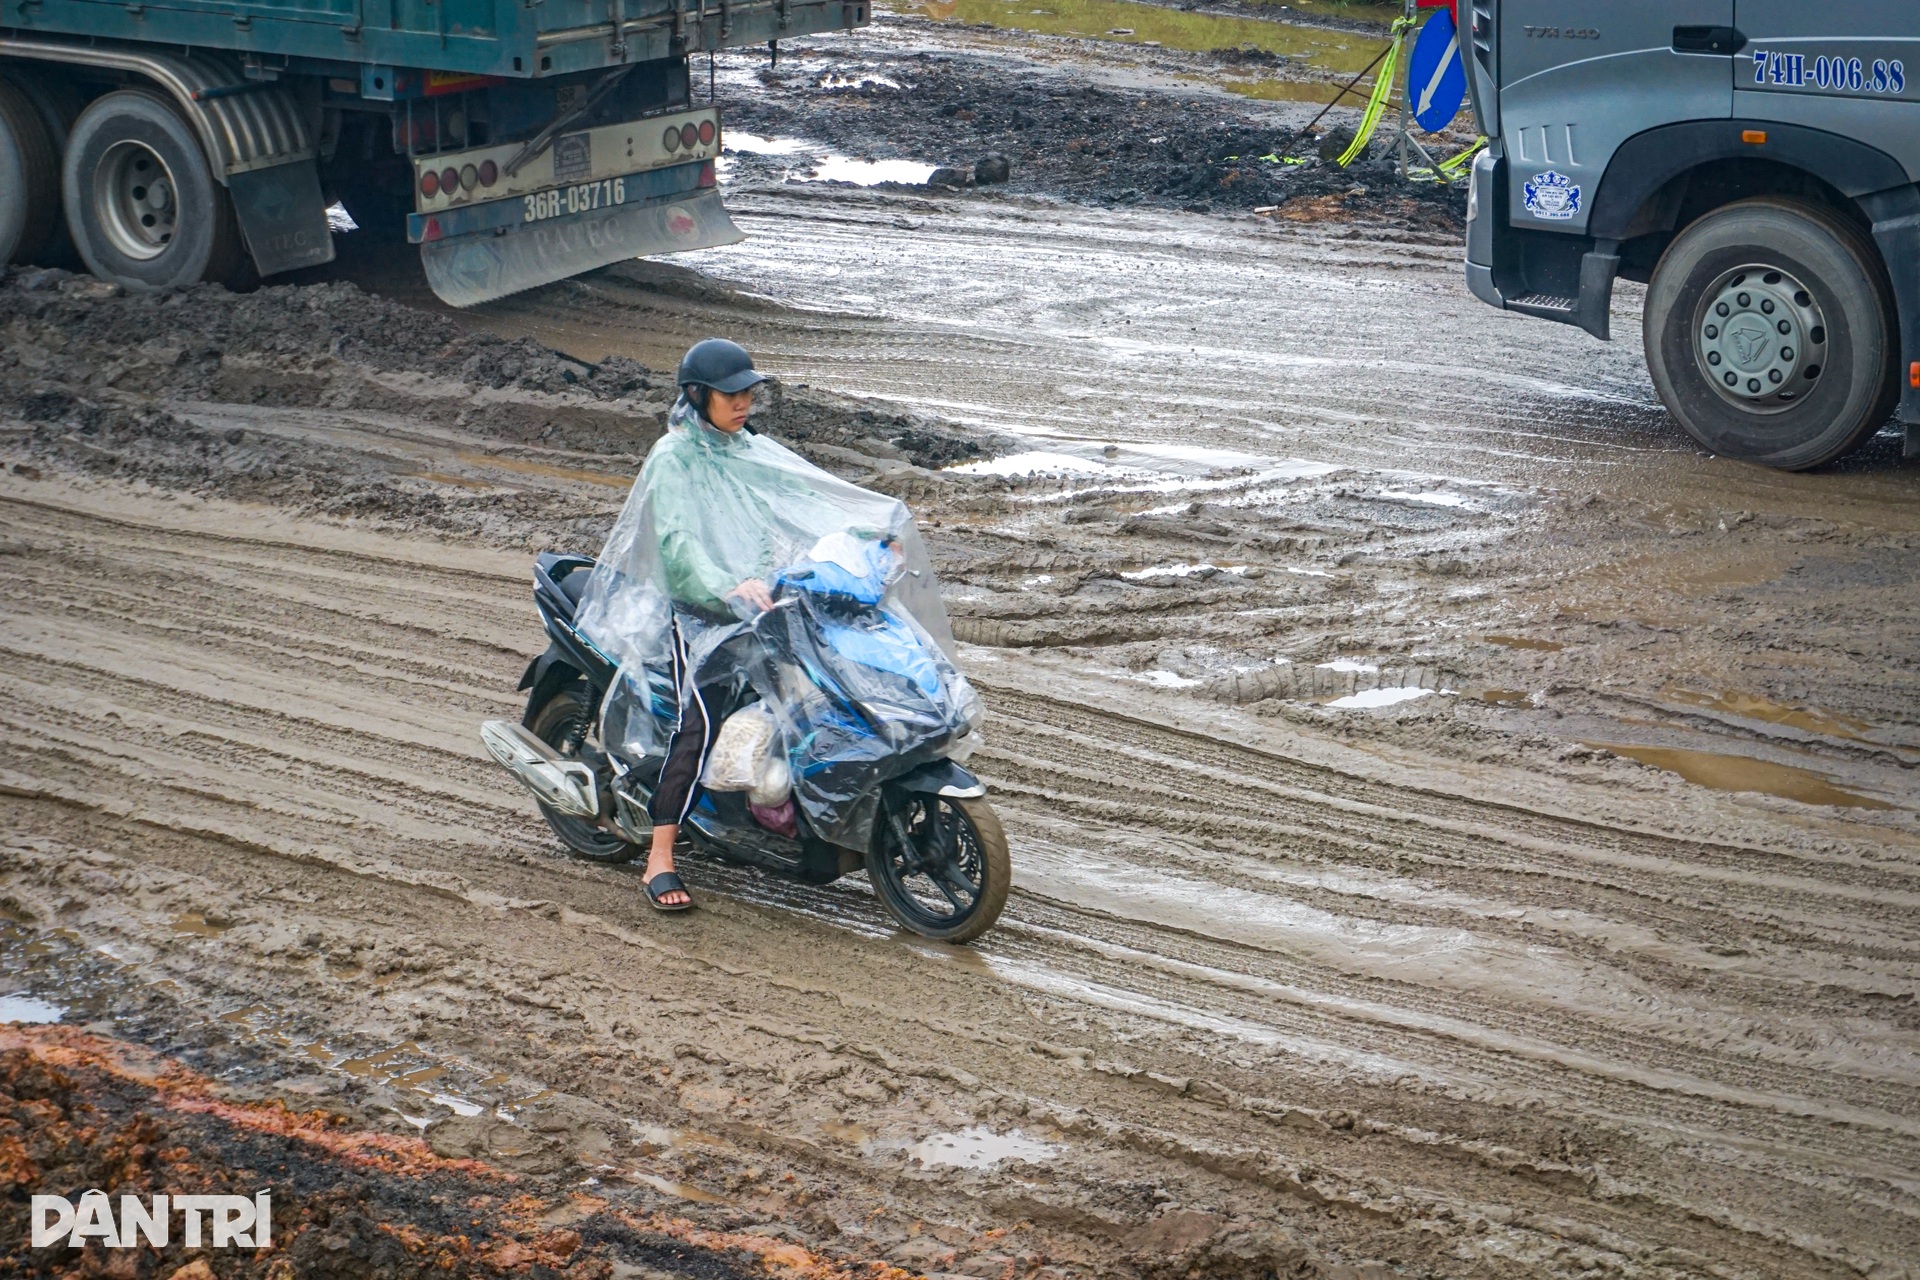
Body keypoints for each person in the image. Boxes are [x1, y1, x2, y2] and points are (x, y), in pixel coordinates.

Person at [637, 338, 772, 911]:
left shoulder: (747, 446)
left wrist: (862, 537)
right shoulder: (673, 459)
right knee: (700, 724)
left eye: (749, 392)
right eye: (731, 393)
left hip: (753, 602)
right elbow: (678, 545)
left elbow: (797, 498)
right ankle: (658, 859)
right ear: (697, 395)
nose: (743, 402)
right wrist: (724, 586)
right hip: (695, 613)